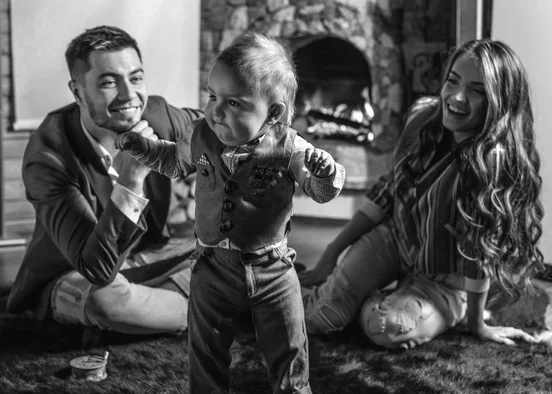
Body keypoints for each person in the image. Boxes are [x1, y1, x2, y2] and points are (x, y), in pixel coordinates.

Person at [116, 32, 345, 393]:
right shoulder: (200, 135)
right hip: (211, 267)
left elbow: (319, 193)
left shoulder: (291, 147)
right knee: (204, 350)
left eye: (234, 103)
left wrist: (326, 175)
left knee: (289, 350)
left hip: (272, 271)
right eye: (212, 96)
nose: (215, 111)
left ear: (273, 114)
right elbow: (174, 162)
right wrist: (142, 147)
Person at [298, 39, 544, 350]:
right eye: (453, 81)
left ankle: (383, 298)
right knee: (319, 319)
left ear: (500, 102)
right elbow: (388, 191)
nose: (456, 97)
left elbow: (480, 252)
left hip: (446, 279)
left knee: (385, 327)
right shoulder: (425, 118)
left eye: (477, 90)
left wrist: (477, 324)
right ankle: (274, 286)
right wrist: (330, 255)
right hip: (395, 240)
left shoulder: (492, 161)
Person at [6, 26, 203, 338]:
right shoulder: (48, 157)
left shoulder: (160, 115)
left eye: (136, 78)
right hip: (76, 271)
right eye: (109, 82)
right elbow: (96, 269)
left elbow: (220, 130)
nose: (129, 96)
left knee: (233, 249)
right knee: (104, 301)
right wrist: (132, 180)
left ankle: (162, 310)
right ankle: (217, 313)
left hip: (150, 255)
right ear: (77, 92)